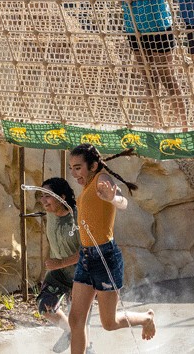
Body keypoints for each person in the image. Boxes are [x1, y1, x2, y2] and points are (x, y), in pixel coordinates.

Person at [67, 144, 155, 354]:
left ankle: (146, 319)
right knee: (75, 319)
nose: (74, 173)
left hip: (105, 257)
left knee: (109, 323)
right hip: (87, 257)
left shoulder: (101, 179)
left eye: (78, 167)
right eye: (71, 168)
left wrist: (112, 198)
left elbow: (123, 202)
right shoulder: (87, 186)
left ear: (94, 165)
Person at [104, 0, 188, 130]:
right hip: (135, 31)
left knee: (167, 79)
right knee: (149, 83)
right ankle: (157, 126)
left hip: (159, 27)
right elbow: (122, 0)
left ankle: (184, 125)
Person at [35, 177, 81, 353]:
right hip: (59, 274)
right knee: (45, 306)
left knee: (81, 320)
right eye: (41, 196)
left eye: (48, 196)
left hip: (82, 275)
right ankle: (69, 331)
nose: (43, 200)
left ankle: (84, 345)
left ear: (62, 197)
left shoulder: (77, 218)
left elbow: (87, 251)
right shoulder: (50, 214)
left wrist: (60, 262)